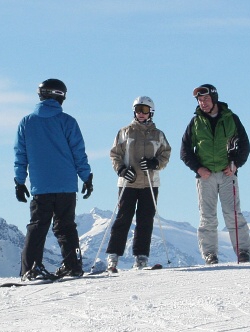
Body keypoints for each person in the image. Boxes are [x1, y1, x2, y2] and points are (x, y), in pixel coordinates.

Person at [13, 78, 94, 280]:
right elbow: (78, 153)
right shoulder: (67, 121)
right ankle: (73, 266)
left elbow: (20, 154)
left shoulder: (27, 122)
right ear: (61, 97)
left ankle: (30, 269)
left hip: (41, 187)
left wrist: (19, 181)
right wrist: (86, 177)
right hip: (66, 185)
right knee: (66, 226)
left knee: (38, 226)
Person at [179, 83, 250, 264]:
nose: (202, 103)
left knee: (233, 214)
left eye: (206, 99)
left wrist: (235, 165)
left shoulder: (231, 119)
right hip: (206, 177)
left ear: (214, 98)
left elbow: (245, 145)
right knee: (208, 217)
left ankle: (243, 252)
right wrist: (198, 168)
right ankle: (210, 255)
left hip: (228, 174)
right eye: (199, 100)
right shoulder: (195, 123)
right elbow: (185, 151)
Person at [104, 96, 171, 272]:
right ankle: (113, 256)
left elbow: (165, 154)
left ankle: (141, 256)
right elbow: (115, 154)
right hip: (129, 183)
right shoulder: (125, 132)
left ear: (151, 113)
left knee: (145, 219)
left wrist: (155, 163)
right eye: (138, 110)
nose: (141, 113)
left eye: (145, 110)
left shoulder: (158, 134)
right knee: (123, 218)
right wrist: (122, 170)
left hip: (150, 182)